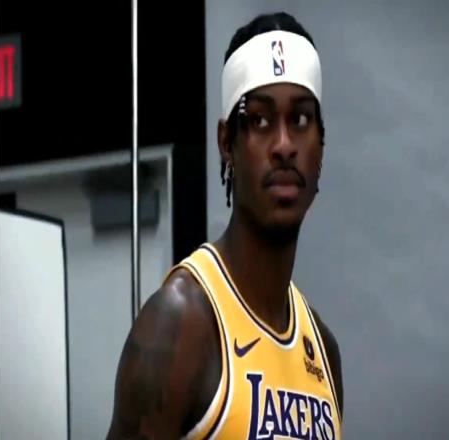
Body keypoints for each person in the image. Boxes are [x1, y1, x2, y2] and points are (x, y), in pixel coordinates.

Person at [106, 11, 343, 440]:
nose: (284, 145)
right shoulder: (179, 325)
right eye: (260, 120)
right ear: (226, 143)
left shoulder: (323, 352)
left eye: (301, 120)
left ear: (320, 145)